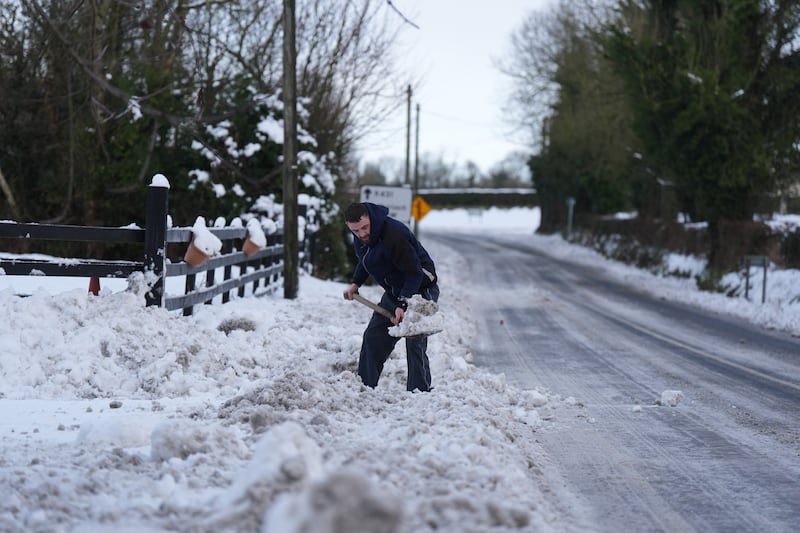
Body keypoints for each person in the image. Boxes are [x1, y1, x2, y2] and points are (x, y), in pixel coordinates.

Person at [342, 202, 439, 392]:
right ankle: (364, 388)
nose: (361, 234)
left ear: (371, 218)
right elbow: (366, 260)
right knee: (373, 336)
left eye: (364, 227)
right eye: (355, 231)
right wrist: (356, 283)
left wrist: (403, 304)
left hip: (420, 287)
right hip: (395, 290)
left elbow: (414, 273)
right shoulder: (361, 237)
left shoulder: (394, 235)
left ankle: (419, 392)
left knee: (414, 341)